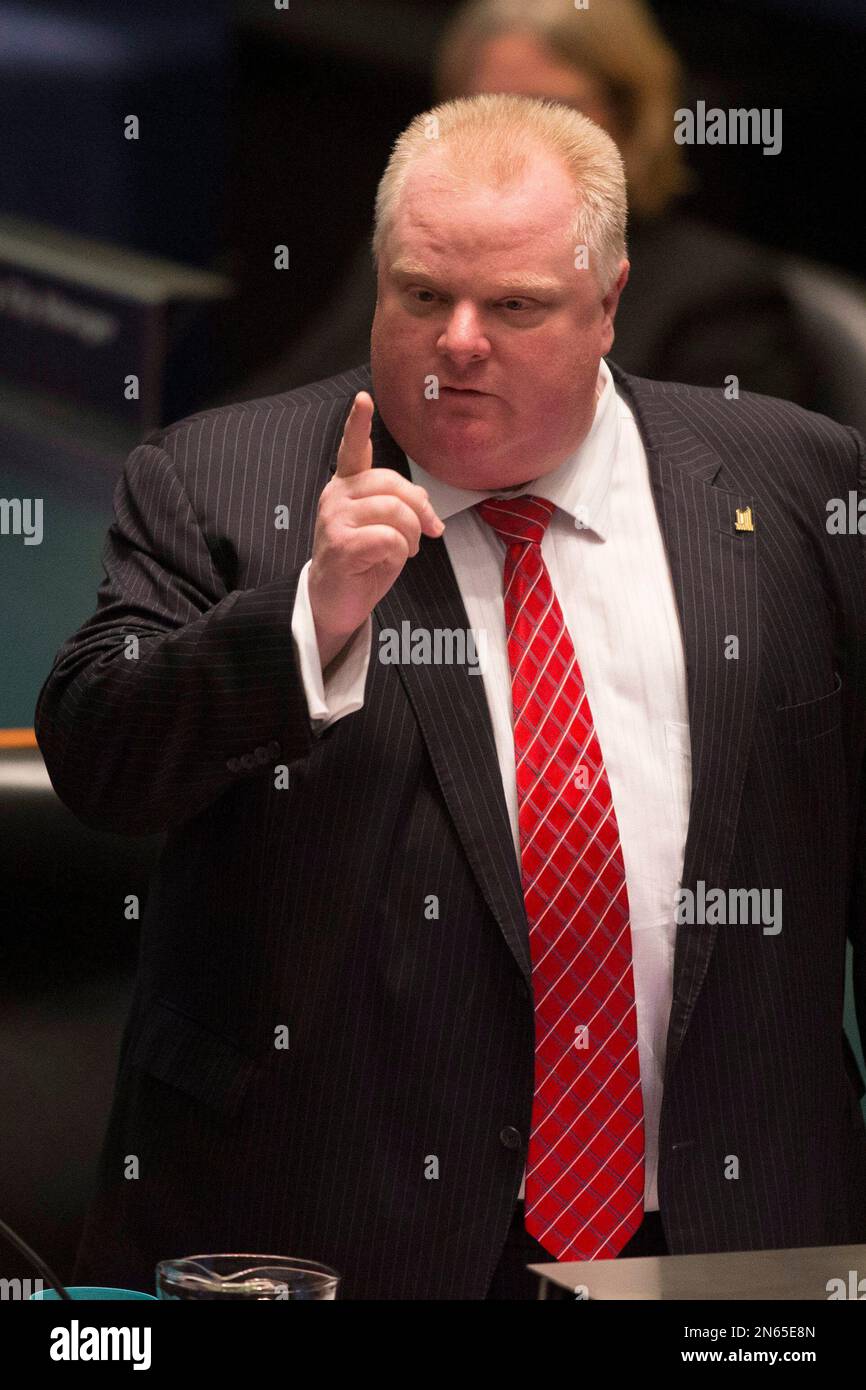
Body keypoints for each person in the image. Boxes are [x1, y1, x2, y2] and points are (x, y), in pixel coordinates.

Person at [36, 92, 866, 1302]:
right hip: (333, 1229)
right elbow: (98, 755)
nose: (459, 342)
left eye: (514, 306)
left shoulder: (798, 485)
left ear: (607, 302)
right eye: (422, 295)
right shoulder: (223, 480)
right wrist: (307, 617)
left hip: (729, 1238)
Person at [231, 0, 820, 413]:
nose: (516, 138)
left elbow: (719, 502)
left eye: (552, 110)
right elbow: (292, 400)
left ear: (630, 116)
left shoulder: (718, 297)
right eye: (490, 107)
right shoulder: (421, 252)